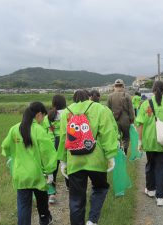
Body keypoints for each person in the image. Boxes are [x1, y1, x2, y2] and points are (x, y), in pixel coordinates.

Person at [57, 90, 118, 225]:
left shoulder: (66, 112)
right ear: (89, 97)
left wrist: (63, 161)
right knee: (100, 188)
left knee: (76, 198)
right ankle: (92, 220)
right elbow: (107, 133)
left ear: (74, 99)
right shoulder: (99, 109)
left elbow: (63, 138)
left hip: (74, 160)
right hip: (96, 159)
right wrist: (110, 155)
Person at [1, 102, 57, 225]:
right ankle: (44, 220)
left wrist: (13, 155)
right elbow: (49, 154)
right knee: (42, 200)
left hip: (20, 174)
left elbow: (5, 146)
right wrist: (49, 171)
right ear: (38, 114)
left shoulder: (14, 129)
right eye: (43, 116)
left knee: (23, 206)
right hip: (37, 174)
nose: (43, 119)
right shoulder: (39, 130)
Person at [136, 81, 163, 207]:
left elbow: (140, 124)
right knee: (162, 168)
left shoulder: (145, 104)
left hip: (149, 141)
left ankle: (150, 190)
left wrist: (140, 141)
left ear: (153, 90)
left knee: (150, 165)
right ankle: (160, 197)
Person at [42, 94, 69, 204]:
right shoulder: (68, 114)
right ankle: (69, 186)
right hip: (65, 144)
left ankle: (51, 194)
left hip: (51, 146)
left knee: (52, 169)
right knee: (67, 165)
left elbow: (43, 132)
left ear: (53, 103)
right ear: (64, 103)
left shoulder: (47, 117)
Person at [107, 79, 135, 154]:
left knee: (117, 137)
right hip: (126, 120)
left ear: (114, 86)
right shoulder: (127, 95)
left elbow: (108, 110)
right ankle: (125, 151)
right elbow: (131, 110)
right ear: (123, 86)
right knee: (126, 137)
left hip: (114, 120)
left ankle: (119, 151)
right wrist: (132, 120)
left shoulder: (110, 96)